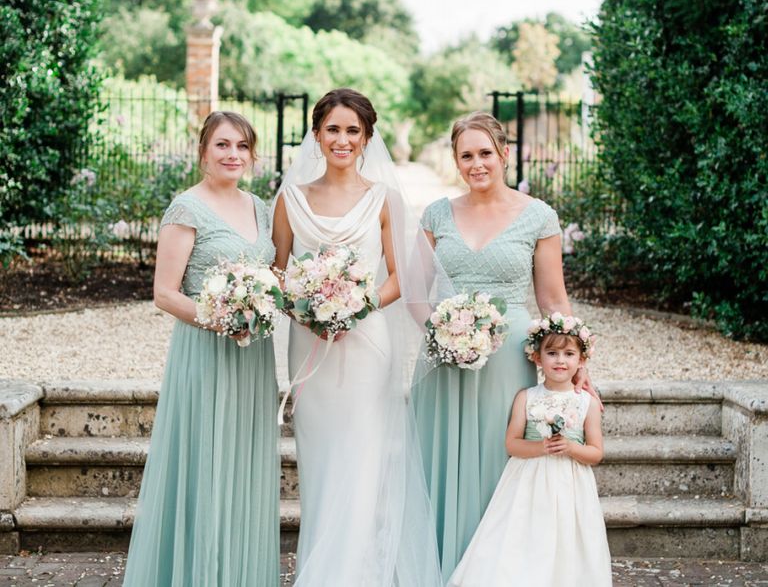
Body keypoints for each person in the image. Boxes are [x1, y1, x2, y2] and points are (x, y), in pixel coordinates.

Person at [412, 111, 599, 579]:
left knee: (504, 457)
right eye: (466, 155)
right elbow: (416, 290)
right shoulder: (436, 214)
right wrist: (441, 333)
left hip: (510, 354)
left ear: (504, 155)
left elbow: (552, 296)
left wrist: (578, 364)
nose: (477, 164)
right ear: (456, 161)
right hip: (446, 354)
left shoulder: (538, 215)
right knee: (443, 456)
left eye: (485, 154)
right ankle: (440, 566)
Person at [272, 88, 442, 586]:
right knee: (321, 461)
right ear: (317, 134)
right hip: (309, 347)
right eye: (333, 129)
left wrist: (355, 308)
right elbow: (277, 273)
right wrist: (307, 311)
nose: (342, 139)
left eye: (352, 131)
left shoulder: (384, 199)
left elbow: (398, 276)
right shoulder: (290, 200)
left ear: (367, 138)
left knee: (364, 457)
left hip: (367, 347)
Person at [123, 111, 280, 587]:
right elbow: (165, 293)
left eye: (242, 146)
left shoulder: (261, 208)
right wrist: (223, 319)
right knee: (205, 462)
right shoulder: (186, 207)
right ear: (203, 151)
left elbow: (272, 277)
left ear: (252, 155)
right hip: (206, 353)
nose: (233, 154)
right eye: (223, 145)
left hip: (254, 356)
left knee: (244, 466)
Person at [448, 319, 612, 586]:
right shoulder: (526, 397)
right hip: (528, 479)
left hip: (570, 483)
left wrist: (571, 447)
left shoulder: (587, 402)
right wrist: (540, 447)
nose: (560, 360)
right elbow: (512, 444)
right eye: (552, 353)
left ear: (582, 360)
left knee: (565, 537)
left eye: (569, 354)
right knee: (525, 534)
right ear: (537, 358)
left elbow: (596, 453)